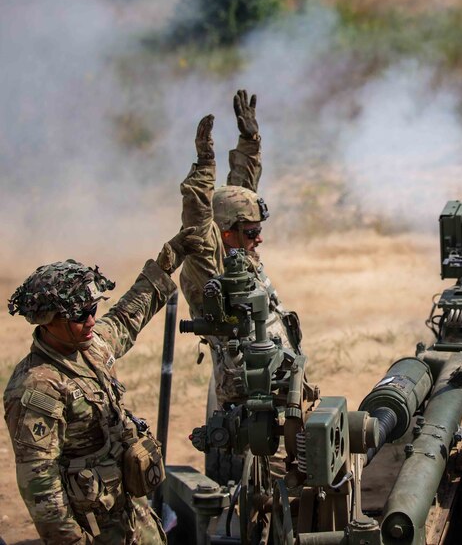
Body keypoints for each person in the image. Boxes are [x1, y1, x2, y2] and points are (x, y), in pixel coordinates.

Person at [4, 228, 204, 544]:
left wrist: (167, 263)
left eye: (93, 310)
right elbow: (42, 489)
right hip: (97, 531)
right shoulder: (36, 389)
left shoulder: (89, 348)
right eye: (80, 314)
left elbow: (126, 319)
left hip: (131, 515)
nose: (91, 321)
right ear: (47, 319)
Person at [179, 90, 302, 483]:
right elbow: (201, 218)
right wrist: (204, 165)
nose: (259, 239)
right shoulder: (208, 268)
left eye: (259, 231)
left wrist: (250, 142)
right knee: (272, 488)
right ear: (225, 234)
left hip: (278, 387)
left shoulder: (238, 250)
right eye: (251, 233)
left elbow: (239, 193)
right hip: (252, 402)